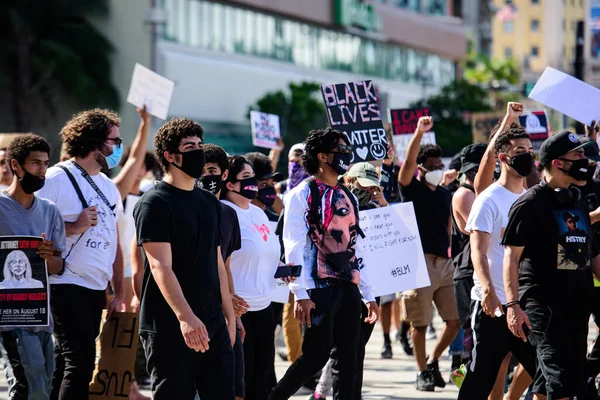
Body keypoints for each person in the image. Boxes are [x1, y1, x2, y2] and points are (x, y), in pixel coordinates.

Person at [268, 128, 378, 400]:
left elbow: (356, 246)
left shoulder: (349, 195)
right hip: (316, 289)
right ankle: (275, 396)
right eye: (339, 150)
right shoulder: (301, 193)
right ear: (321, 156)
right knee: (315, 357)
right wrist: (300, 293)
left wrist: (368, 292)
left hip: (347, 288)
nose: (345, 155)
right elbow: (293, 244)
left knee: (350, 359)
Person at [133, 118, 236, 400]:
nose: (198, 152)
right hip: (169, 326)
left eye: (200, 145)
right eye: (189, 146)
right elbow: (159, 265)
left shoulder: (209, 202)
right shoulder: (155, 202)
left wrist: (228, 317)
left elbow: (217, 263)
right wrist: (186, 317)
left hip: (213, 323)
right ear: (170, 156)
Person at [503, 130, 600, 399]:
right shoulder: (530, 203)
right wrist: (512, 306)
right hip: (544, 307)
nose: (585, 160)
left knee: (549, 384)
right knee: (561, 384)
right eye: (578, 155)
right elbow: (511, 257)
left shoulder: (576, 202)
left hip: (577, 303)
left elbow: (592, 254)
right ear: (558, 163)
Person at [37, 109, 125, 400]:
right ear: (95, 142)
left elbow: (116, 242)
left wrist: (118, 291)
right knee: (82, 361)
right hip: (64, 283)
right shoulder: (56, 178)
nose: (118, 147)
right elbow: (32, 225)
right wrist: (75, 226)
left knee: (65, 361)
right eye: (114, 140)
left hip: (96, 287)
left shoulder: (109, 187)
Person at [457, 124, 537, 399]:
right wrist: (488, 290)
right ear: (502, 158)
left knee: (546, 373)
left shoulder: (531, 198)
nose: (527, 156)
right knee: (481, 379)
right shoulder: (488, 200)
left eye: (529, 150)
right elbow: (477, 251)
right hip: (495, 309)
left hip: (527, 307)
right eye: (519, 151)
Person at [310, 162, 386, 400]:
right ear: (349, 180)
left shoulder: (376, 209)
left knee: (357, 348)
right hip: (341, 285)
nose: (369, 192)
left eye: (373, 189)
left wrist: (383, 204)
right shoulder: (335, 206)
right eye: (364, 186)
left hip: (370, 288)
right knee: (342, 348)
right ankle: (329, 393)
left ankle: (347, 393)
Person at [0, 134, 66, 400]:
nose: (41, 170)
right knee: (28, 383)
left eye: (45, 163)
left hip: (40, 314)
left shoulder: (50, 211)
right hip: (7, 317)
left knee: (44, 385)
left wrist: (48, 256)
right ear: (15, 165)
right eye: (35, 163)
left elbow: (58, 267)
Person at [398, 116, 460, 392]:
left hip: (443, 263)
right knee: (420, 324)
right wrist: (419, 134)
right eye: (431, 167)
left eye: (440, 165)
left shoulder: (445, 194)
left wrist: (449, 254)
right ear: (421, 169)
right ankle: (421, 372)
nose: (437, 169)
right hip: (419, 262)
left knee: (454, 321)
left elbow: (448, 226)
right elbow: (408, 162)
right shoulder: (412, 189)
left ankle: (433, 361)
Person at [222, 155, 292, 400]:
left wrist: (284, 268)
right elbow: (221, 261)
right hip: (239, 309)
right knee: (242, 381)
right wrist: (227, 297)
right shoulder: (225, 212)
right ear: (229, 184)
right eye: (245, 177)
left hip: (263, 306)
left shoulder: (258, 213)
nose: (253, 182)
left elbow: (265, 254)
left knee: (261, 379)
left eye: (253, 176)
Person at [199, 144, 247, 400]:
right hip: (196, 311)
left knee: (234, 387)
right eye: (202, 170)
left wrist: (234, 316)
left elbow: (225, 265)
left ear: (224, 176)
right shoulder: (186, 208)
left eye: (212, 170)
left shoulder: (229, 214)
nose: (207, 176)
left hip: (223, 314)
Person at [449, 143, 486, 382]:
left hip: (476, 268)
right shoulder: (464, 194)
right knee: (471, 330)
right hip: (467, 271)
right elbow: (478, 228)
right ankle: (466, 378)